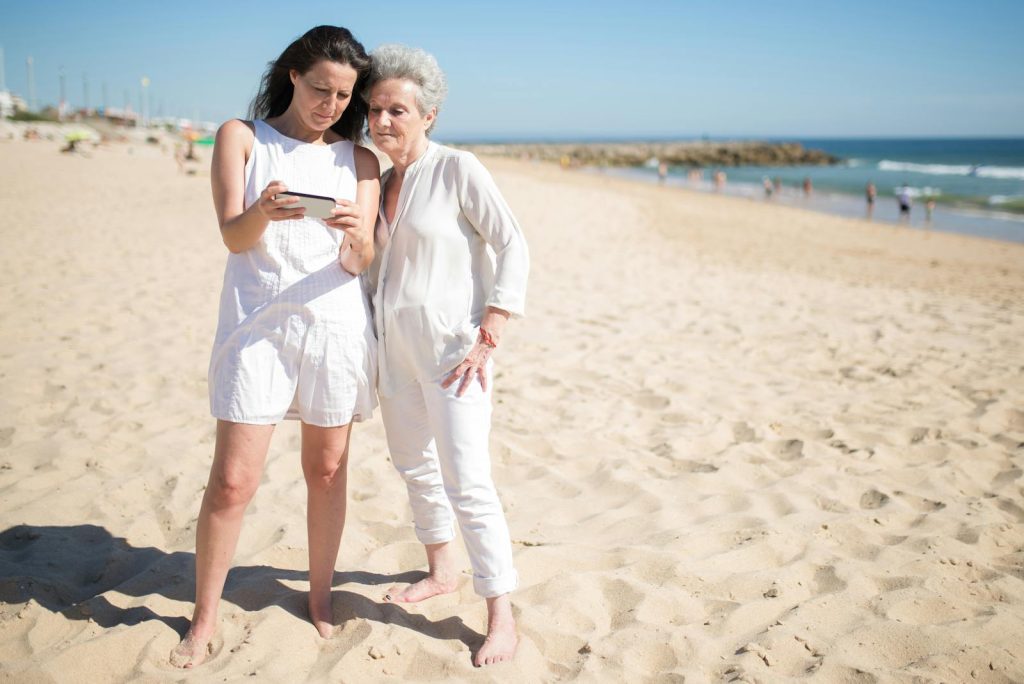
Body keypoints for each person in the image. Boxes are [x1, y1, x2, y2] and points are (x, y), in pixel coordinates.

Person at [170, 25, 380, 668]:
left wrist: (355, 233)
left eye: (345, 96)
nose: (332, 105)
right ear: (292, 74)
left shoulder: (361, 161)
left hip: (334, 327)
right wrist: (264, 210)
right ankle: (204, 618)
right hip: (254, 326)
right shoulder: (242, 137)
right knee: (233, 481)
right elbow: (234, 237)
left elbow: (362, 260)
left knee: (325, 471)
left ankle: (319, 598)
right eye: (322, 89)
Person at [363, 44, 529, 667]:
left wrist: (492, 327)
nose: (383, 123)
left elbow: (512, 243)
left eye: (397, 111)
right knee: (415, 468)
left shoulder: (457, 168)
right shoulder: (378, 183)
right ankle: (441, 571)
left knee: (468, 480)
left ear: (428, 114)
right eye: (374, 110)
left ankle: (501, 615)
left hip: (457, 352)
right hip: (394, 354)